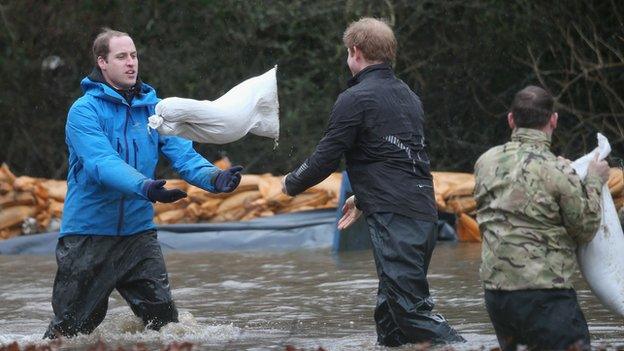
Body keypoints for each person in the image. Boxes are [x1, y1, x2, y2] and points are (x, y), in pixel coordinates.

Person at [44, 28, 243, 339]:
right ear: (103, 62)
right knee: (70, 333)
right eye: (121, 56)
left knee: (167, 328)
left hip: (139, 237)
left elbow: (183, 155)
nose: (130, 63)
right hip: (89, 236)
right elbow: (101, 164)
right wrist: (146, 187)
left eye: (134, 55)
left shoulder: (155, 108)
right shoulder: (84, 111)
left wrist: (215, 178)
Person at [281, 18, 464, 347]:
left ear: (355, 52)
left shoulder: (355, 99)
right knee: (390, 313)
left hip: (397, 218)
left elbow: (325, 157)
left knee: (411, 310)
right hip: (421, 213)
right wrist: (363, 199)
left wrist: (290, 184)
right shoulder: (408, 96)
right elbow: (398, 156)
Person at [474, 85, 610, 350]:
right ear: (553, 120)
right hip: (545, 294)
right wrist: (593, 181)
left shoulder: (485, 162)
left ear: (511, 119)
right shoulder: (558, 170)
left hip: (496, 295)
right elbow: (585, 228)